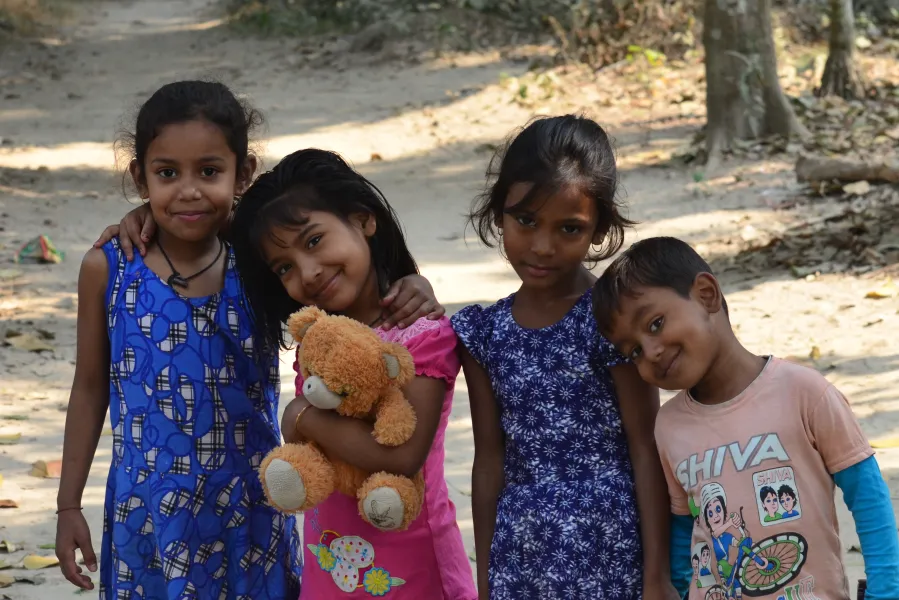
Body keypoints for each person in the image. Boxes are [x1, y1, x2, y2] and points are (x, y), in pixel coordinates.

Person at [55, 80, 304, 598]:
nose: (188, 190)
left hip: (250, 509)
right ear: (139, 177)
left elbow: (346, 285)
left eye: (209, 171)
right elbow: (89, 389)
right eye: (167, 173)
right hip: (147, 515)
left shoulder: (261, 261)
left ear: (244, 174)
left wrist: (409, 281)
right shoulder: (108, 269)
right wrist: (67, 505)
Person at [228, 148, 477, 599]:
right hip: (330, 568)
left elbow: (401, 457)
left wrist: (299, 418)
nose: (307, 271)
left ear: (364, 220)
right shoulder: (317, 341)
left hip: (415, 571)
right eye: (284, 267)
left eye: (313, 241)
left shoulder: (422, 335)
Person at [592, 236, 899, 600]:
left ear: (707, 294)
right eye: (634, 351)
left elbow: (867, 497)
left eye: (656, 324)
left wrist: (886, 590)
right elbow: (683, 528)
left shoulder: (804, 392)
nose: (652, 353)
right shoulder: (669, 426)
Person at [450, 115, 681, 600]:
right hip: (523, 552)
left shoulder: (612, 325)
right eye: (526, 220)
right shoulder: (484, 334)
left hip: (611, 549)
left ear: (598, 231)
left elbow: (645, 445)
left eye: (569, 228)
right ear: (499, 214)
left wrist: (657, 575)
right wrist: (487, 578)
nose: (542, 246)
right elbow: (490, 458)